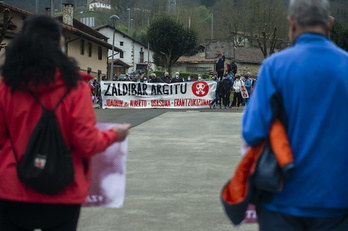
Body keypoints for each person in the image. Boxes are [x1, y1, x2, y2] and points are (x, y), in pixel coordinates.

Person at [0, 15, 131, 231]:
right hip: (62, 189)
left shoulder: (6, 86)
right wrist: (116, 134)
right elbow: (87, 143)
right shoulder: (75, 87)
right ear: (59, 42)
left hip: (12, 188)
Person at [242, 0, 348, 230]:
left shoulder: (273, 67)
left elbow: (252, 132)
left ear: (292, 23)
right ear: (329, 24)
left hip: (282, 200)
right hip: (338, 201)